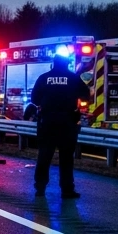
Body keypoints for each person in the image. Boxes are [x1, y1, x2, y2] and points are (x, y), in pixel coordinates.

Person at [31, 54, 92, 198]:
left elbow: (34, 99)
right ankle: (67, 190)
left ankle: (40, 187)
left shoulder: (44, 78)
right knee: (66, 158)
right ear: (66, 64)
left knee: (44, 155)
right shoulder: (73, 78)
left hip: (47, 122)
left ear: (54, 63)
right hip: (67, 122)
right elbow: (86, 95)